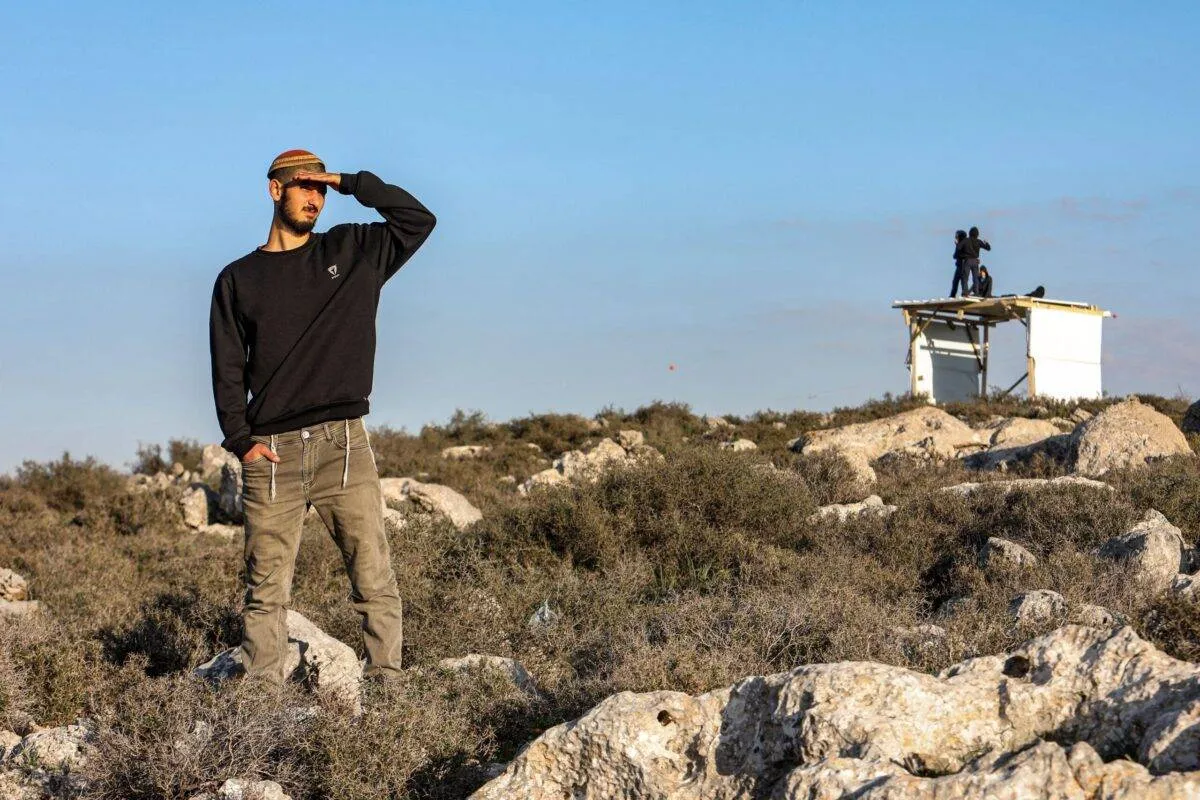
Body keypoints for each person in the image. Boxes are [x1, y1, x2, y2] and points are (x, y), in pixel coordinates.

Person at [209, 149, 436, 685]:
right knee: (265, 593)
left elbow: (418, 219)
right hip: (271, 453)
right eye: (303, 186)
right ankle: (259, 717)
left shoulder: (354, 249)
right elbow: (226, 367)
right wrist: (240, 440)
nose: (315, 198)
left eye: (321, 189)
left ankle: (389, 695)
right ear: (274, 191)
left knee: (373, 577)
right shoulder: (237, 279)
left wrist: (350, 180)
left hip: (344, 445)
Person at [962, 226, 991, 295]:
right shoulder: (978, 241)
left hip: (968, 260)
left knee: (965, 278)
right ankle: (976, 292)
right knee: (975, 278)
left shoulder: (966, 240)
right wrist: (986, 242)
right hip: (975, 261)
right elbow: (988, 248)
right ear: (977, 234)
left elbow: (960, 248)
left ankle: (965, 292)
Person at [949, 229, 970, 297]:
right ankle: (953, 295)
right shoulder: (961, 244)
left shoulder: (963, 244)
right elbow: (955, 255)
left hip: (963, 264)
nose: (956, 238)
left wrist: (957, 245)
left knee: (963, 281)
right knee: (957, 281)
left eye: (957, 236)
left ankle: (964, 294)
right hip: (960, 265)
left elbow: (957, 255)